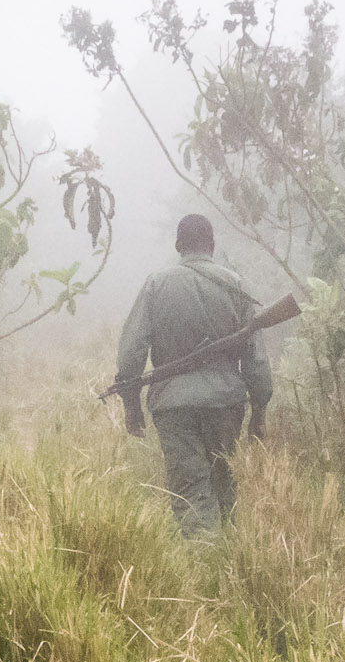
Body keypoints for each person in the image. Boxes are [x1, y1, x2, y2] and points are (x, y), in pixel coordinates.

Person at [113, 214, 272, 535]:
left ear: (177, 246)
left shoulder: (156, 284)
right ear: (211, 246)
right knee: (224, 483)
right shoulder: (236, 286)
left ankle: (205, 568)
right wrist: (260, 409)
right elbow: (254, 356)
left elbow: (131, 353)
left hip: (174, 408)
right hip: (226, 404)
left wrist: (131, 405)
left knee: (191, 492)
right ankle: (229, 566)